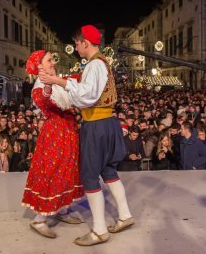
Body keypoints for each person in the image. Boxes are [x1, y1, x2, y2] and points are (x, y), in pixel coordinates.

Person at [39, 25, 134, 246]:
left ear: (85, 43)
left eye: (77, 44)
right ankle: (125, 215)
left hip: (96, 124)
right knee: (109, 170)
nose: (76, 48)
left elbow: (86, 95)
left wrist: (57, 81)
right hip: (109, 122)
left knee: (89, 176)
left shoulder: (94, 65)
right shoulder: (103, 63)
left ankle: (100, 230)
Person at [21, 50, 84, 239]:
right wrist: (48, 86)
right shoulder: (40, 84)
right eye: (49, 60)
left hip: (68, 131)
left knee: (67, 171)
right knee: (53, 172)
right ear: (39, 65)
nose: (52, 62)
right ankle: (39, 220)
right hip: (55, 134)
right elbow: (44, 100)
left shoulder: (57, 78)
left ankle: (61, 210)